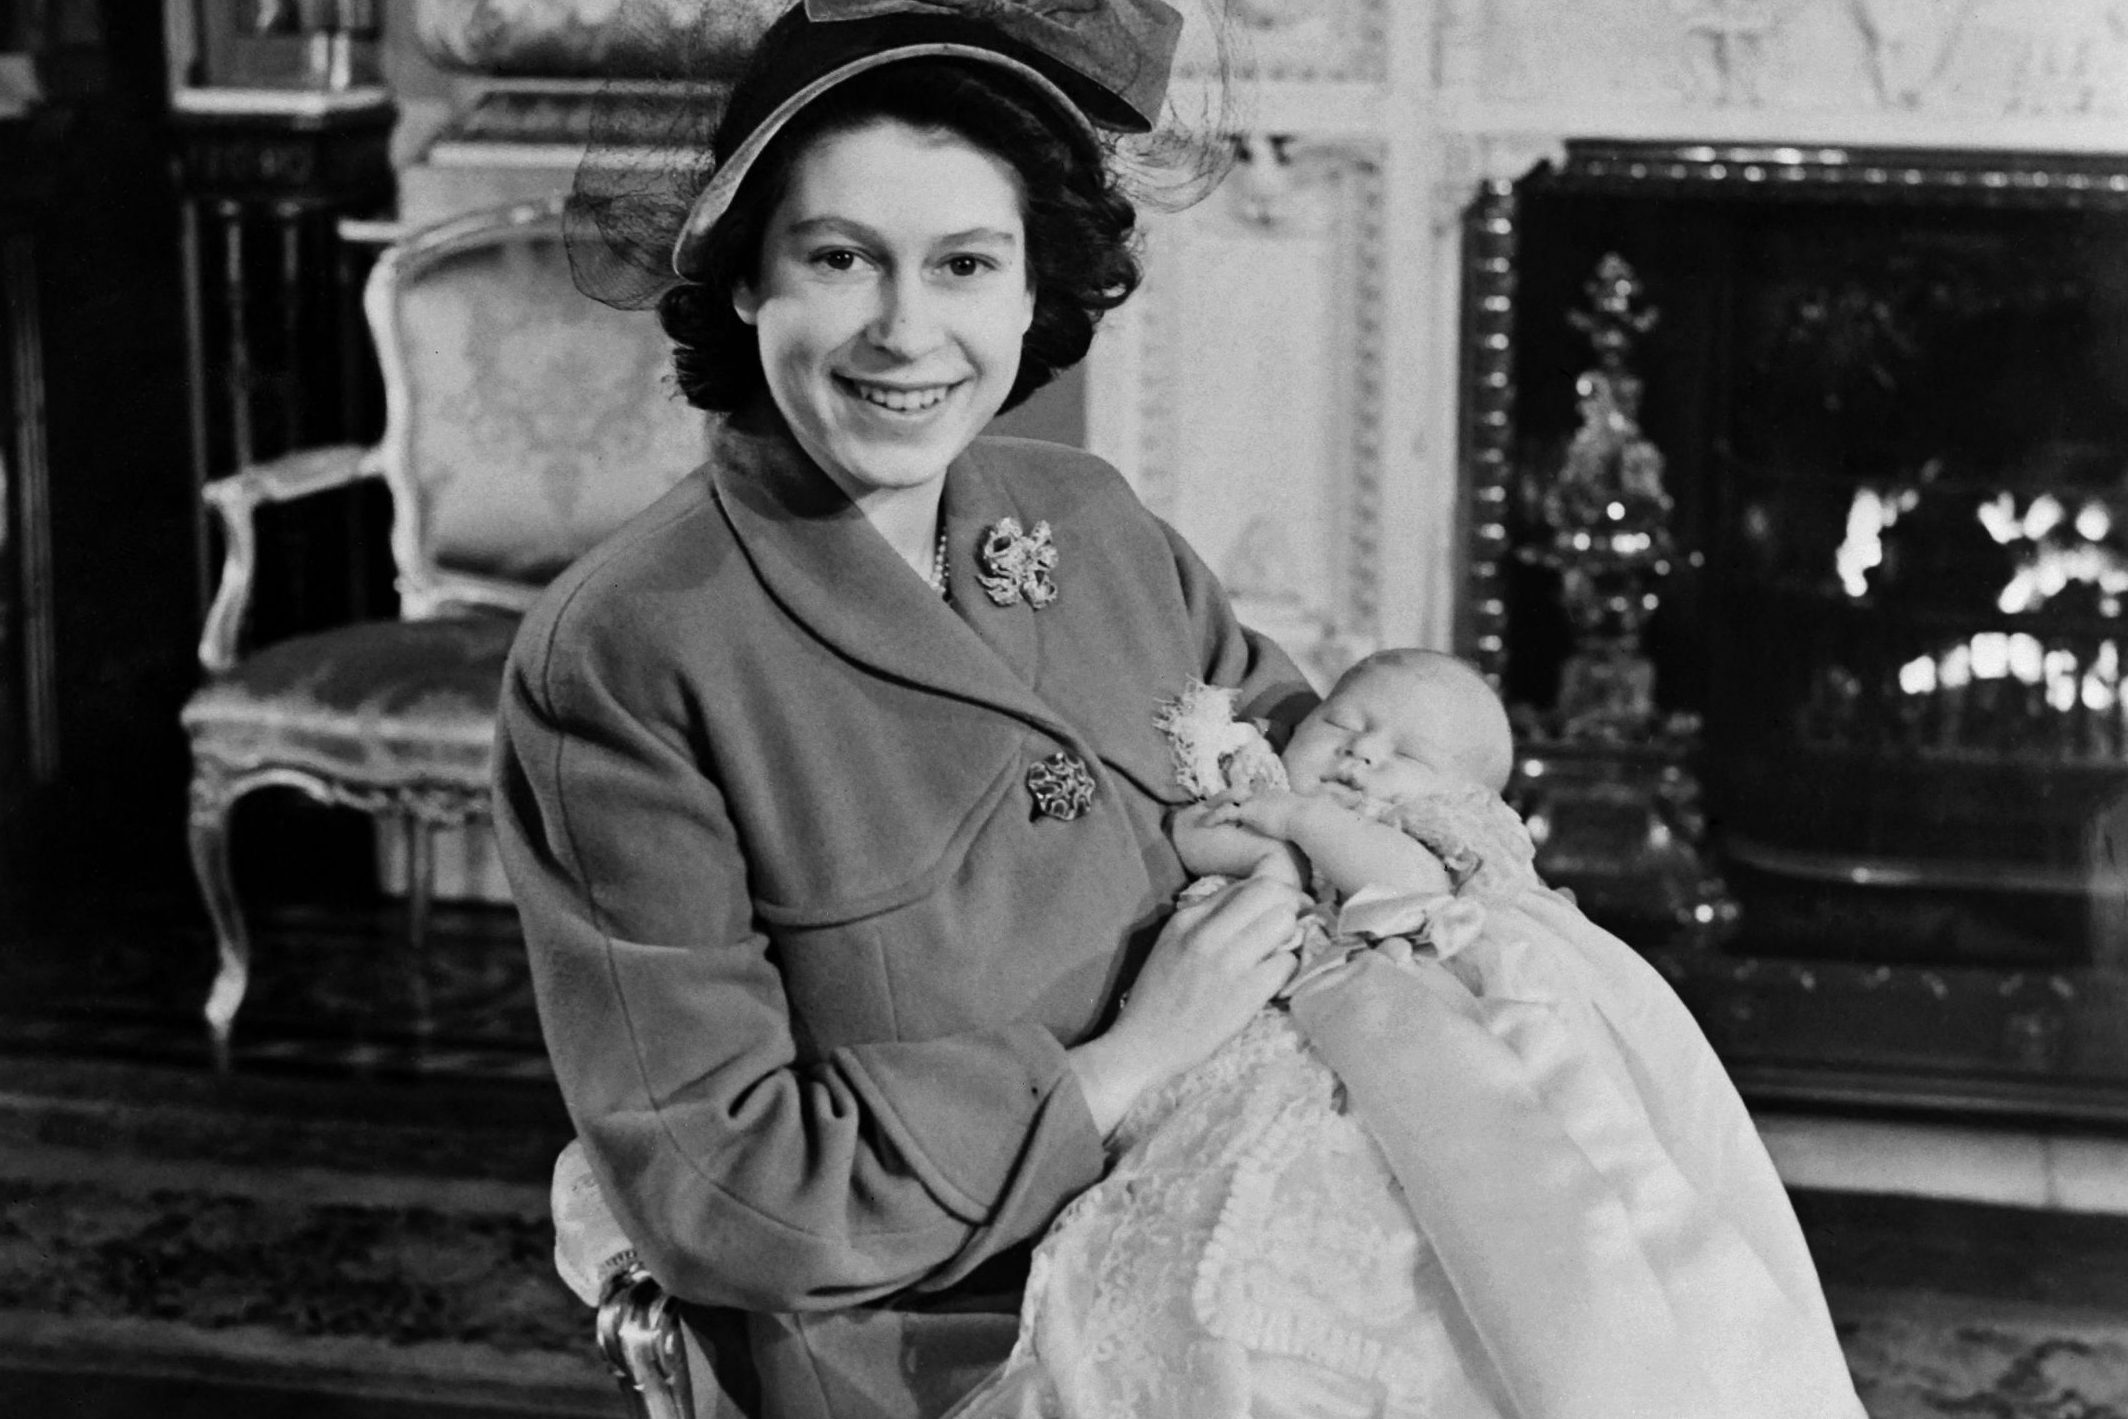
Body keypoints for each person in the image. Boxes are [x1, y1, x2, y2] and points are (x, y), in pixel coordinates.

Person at [491, 3, 1317, 1416]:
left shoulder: (1100, 523)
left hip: (1255, 1281)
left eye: (964, 264)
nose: (904, 329)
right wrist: (1125, 1066)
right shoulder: (626, 654)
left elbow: (1318, 760)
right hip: (937, 1363)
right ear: (746, 280)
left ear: (1029, 292)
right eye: (838, 258)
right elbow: (728, 1188)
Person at [944, 650, 1866, 1419]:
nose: (1364, 757)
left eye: (1409, 753)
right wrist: (1268, 848)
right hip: (1246, 1041)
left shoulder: (1426, 834)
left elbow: (1404, 891)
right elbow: (1194, 839)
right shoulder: (1262, 785)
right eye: (1344, 726)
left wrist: (1301, 827)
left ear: (1463, 793)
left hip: (1398, 1043)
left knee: (1403, 1229)